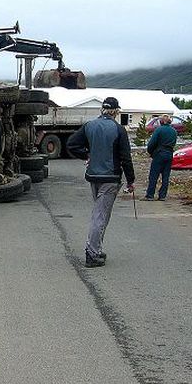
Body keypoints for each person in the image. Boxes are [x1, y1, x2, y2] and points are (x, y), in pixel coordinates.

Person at [67, 96, 135, 268]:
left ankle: (96, 249)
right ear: (116, 111)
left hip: (93, 177)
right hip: (110, 178)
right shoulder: (118, 129)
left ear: (102, 110)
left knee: (101, 213)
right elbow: (125, 157)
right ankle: (91, 253)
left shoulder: (89, 126)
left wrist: (86, 155)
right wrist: (131, 180)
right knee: (100, 216)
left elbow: (71, 144)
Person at [144, 114, 177, 201]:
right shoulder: (174, 131)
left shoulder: (159, 130)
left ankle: (150, 195)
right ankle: (162, 195)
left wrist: (151, 152)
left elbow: (151, 143)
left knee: (154, 175)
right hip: (169, 154)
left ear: (162, 121)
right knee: (165, 176)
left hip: (159, 154)